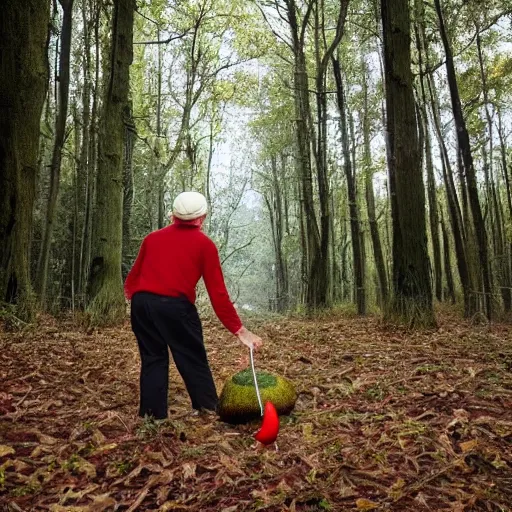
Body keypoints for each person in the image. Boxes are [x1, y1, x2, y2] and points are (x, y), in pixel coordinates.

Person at [124, 191, 263, 420]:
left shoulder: (152, 238)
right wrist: (239, 330)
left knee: (153, 358)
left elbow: (134, 277)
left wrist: (141, 306)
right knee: (191, 356)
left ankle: (152, 417)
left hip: (142, 304)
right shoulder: (205, 245)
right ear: (203, 217)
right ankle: (208, 409)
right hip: (174, 307)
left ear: (173, 216)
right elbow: (218, 293)